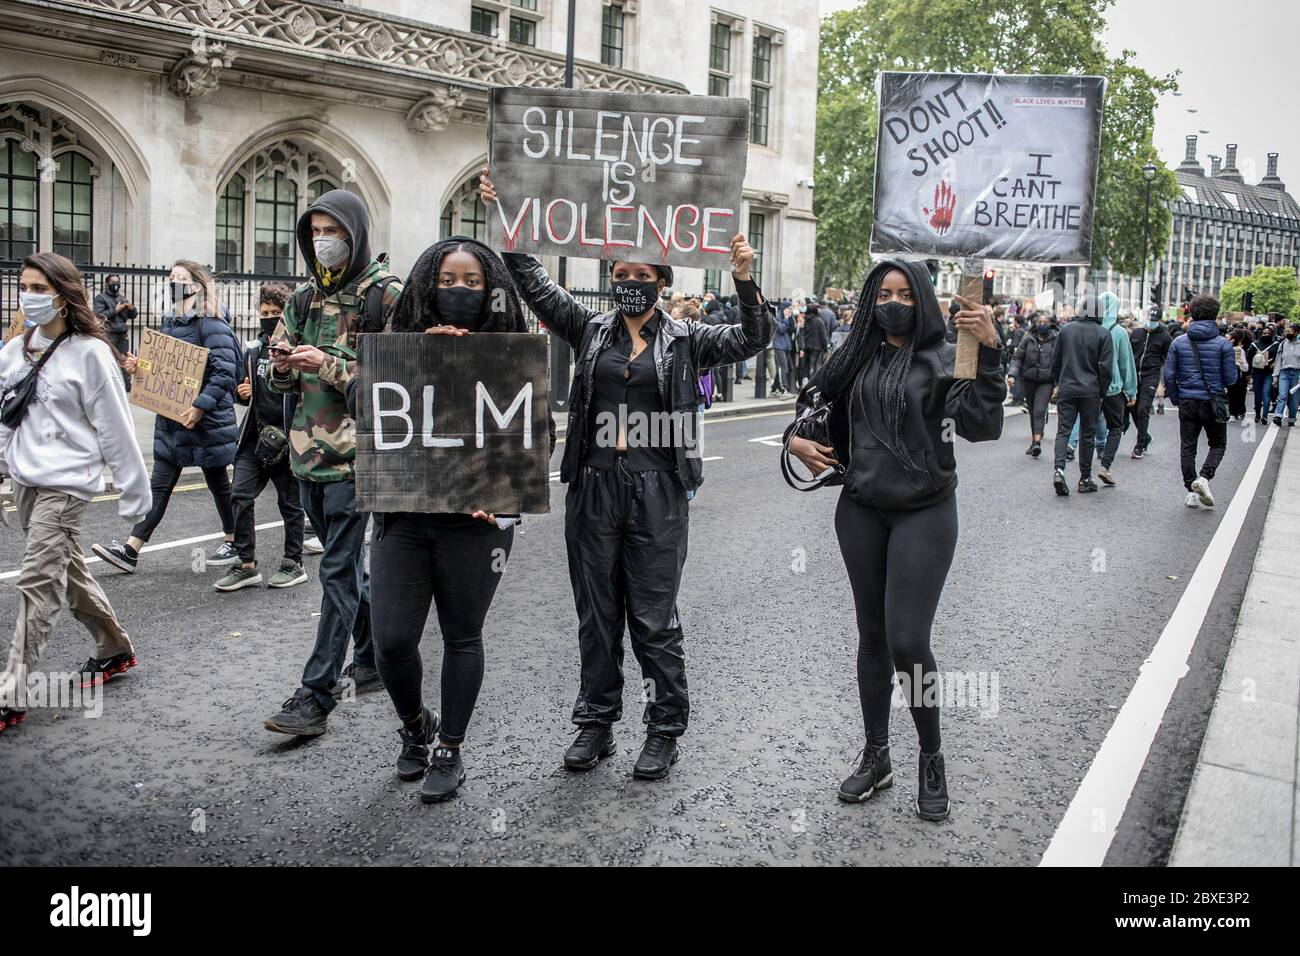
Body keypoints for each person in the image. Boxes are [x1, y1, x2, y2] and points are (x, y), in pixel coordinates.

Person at [479, 166, 771, 780]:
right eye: (622, 274)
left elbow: (752, 338)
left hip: (659, 489)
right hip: (593, 485)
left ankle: (664, 727)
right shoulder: (589, 329)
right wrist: (508, 216)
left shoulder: (689, 339)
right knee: (597, 611)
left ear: (663, 283)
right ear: (611, 279)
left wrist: (744, 280)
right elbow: (532, 282)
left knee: (653, 615)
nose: (632, 283)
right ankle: (596, 722)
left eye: (644, 275)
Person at [786, 263, 1003, 821]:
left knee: (908, 641)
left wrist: (989, 352)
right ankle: (877, 754)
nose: (894, 302)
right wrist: (795, 442)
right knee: (873, 636)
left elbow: (980, 427)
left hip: (925, 511)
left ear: (923, 298)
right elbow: (811, 409)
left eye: (905, 293)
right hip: (860, 509)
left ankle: (931, 757)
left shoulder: (943, 355)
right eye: (883, 293)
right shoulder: (854, 353)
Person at [366, 236, 546, 802]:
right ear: (427, 286)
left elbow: (534, 437)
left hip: (477, 526)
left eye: (472, 283)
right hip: (404, 517)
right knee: (391, 640)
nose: (460, 292)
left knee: (461, 635)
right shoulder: (402, 346)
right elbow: (372, 412)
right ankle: (415, 726)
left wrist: (502, 496)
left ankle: (449, 746)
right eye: (448, 281)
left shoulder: (514, 355)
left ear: (491, 290)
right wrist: (421, 353)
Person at [262, 189, 401, 736]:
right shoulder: (301, 300)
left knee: (336, 570)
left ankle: (315, 697)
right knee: (347, 571)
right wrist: (281, 365)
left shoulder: (386, 298)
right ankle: (369, 659)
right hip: (306, 459)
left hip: (358, 460)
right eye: (315, 231)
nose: (324, 242)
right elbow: (278, 377)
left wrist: (328, 365)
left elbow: (396, 388)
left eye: (334, 231)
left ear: (356, 233)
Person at [0, 253, 152, 732]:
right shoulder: (13, 350)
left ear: (64, 296)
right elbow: (8, 417)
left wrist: (134, 489)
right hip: (27, 479)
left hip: (67, 484)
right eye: (24, 286)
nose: (29, 296)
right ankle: (113, 646)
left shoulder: (90, 353)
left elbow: (115, 426)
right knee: (65, 567)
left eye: (39, 288)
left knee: (37, 580)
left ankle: (12, 689)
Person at [92, 260, 240, 573]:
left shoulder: (212, 323)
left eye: (180, 278)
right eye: (171, 277)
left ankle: (235, 540)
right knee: (158, 486)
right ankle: (131, 549)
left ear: (197, 285)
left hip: (206, 421)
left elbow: (224, 372)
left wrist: (199, 406)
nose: (172, 282)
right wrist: (140, 367)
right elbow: (169, 370)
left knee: (219, 484)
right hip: (173, 421)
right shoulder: (170, 321)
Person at [213, 282, 308, 592]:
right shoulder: (253, 350)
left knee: (290, 504)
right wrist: (243, 394)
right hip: (255, 437)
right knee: (239, 496)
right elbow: (242, 391)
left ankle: (293, 562)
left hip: (287, 437)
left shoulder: (299, 350)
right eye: (264, 313)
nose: (269, 317)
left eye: (275, 313)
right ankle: (245, 563)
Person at [1163, 294, 1236, 508]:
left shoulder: (1178, 342)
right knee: (1218, 444)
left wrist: (1176, 398)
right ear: (1215, 315)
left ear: (1191, 314)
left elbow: (1168, 374)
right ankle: (1204, 477)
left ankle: (1191, 490)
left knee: (1188, 447)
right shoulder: (1223, 344)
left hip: (1187, 400)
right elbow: (1231, 378)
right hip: (1213, 401)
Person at [1050, 300, 1112, 496]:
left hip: (1067, 388)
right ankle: (1085, 478)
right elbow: (1106, 369)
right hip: (1090, 391)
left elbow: (1056, 361)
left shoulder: (1066, 330)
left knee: (1063, 431)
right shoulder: (1103, 333)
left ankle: (1059, 470)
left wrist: (1058, 382)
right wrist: (1102, 392)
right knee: (1088, 434)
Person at [1094, 292, 1137, 486]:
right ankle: (1106, 465)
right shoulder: (1118, 331)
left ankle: (1084, 471)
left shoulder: (1092, 328)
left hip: (1092, 387)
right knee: (1115, 427)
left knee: (1089, 427)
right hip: (1113, 389)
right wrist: (1131, 391)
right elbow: (1126, 364)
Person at [1007, 312, 1056, 457]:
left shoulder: (1055, 340)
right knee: (1033, 411)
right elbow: (1017, 358)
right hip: (1029, 380)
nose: (1042, 324)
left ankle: (1037, 443)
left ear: (1050, 324)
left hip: (1046, 381)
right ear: (1035, 324)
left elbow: (1060, 362)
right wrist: (1012, 374)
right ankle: (1036, 437)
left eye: (1045, 322)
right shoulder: (1028, 339)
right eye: (1039, 322)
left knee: (1039, 411)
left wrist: (1058, 384)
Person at [1128, 307, 1172, 458]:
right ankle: (1145, 436)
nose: (1150, 322)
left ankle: (1140, 445)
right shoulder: (1136, 333)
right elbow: (1128, 354)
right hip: (1134, 375)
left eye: (1154, 320)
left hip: (1151, 375)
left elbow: (1168, 360)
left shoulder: (1165, 338)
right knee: (1133, 409)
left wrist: (1166, 381)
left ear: (1159, 321)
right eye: (1149, 319)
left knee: (1143, 409)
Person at [92, 273, 136, 391]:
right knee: (107, 359)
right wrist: (115, 310)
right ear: (107, 284)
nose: (116, 284)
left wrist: (132, 309)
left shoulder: (121, 298)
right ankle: (104, 386)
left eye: (118, 282)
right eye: (113, 282)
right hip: (109, 334)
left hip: (122, 334)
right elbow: (99, 315)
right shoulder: (101, 298)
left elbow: (132, 316)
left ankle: (127, 386)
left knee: (125, 360)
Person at [1249, 324, 1281, 424]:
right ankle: (1258, 414)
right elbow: (1249, 358)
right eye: (1264, 333)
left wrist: (1274, 364)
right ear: (1260, 334)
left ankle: (1265, 416)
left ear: (1272, 334)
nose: (1266, 335)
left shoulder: (1276, 345)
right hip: (1257, 373)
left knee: (1266, 394)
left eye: (1268, 333)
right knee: (1258, 395)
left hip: (1269, 373)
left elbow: (1279, 358)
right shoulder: (1254, 345)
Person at [1272, 323, 1300, 427]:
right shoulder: (1283, 344)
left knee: (1294, 398)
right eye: (1286, 332)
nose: (1288, 334)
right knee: (1282, 395)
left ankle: (1292, 417)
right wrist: (1275, 375)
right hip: (1284, 372)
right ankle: (1278, 416)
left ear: (1297, 333)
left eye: (1290, 332)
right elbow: (1278, 360)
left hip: (1297, 373)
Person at [801, 301, 831, 380]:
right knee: (814, 366)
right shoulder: (819, 321)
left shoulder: (805, 321)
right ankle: (812, 381)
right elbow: (823, 336)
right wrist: (825, 349)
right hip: (816, 347)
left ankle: (805, 380)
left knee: (806, 365)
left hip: (806, 346)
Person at [1226, 329, 1251, 422]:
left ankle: (1238, 412)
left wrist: (1239, 362)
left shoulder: (1239, 350)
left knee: (1238, 394)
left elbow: (1245, 366)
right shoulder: (1225, 349)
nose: (1226, 340)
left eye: (1228, 338)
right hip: (1229, 373)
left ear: (1234, 340)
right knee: (1231, 394)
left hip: (1238, 375)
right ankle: (1233, 412)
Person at [771, 305, 796, 396]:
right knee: (783, 367)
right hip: (779, 346)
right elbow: (781, 329)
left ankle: (774, 388)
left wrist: (791, 318)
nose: (789, 311)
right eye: (788, 308)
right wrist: (786, 318)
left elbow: (792, 330)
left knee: (789, 367)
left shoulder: (788, 318)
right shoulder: (777, 317)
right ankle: (784, 388)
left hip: (786, 345)